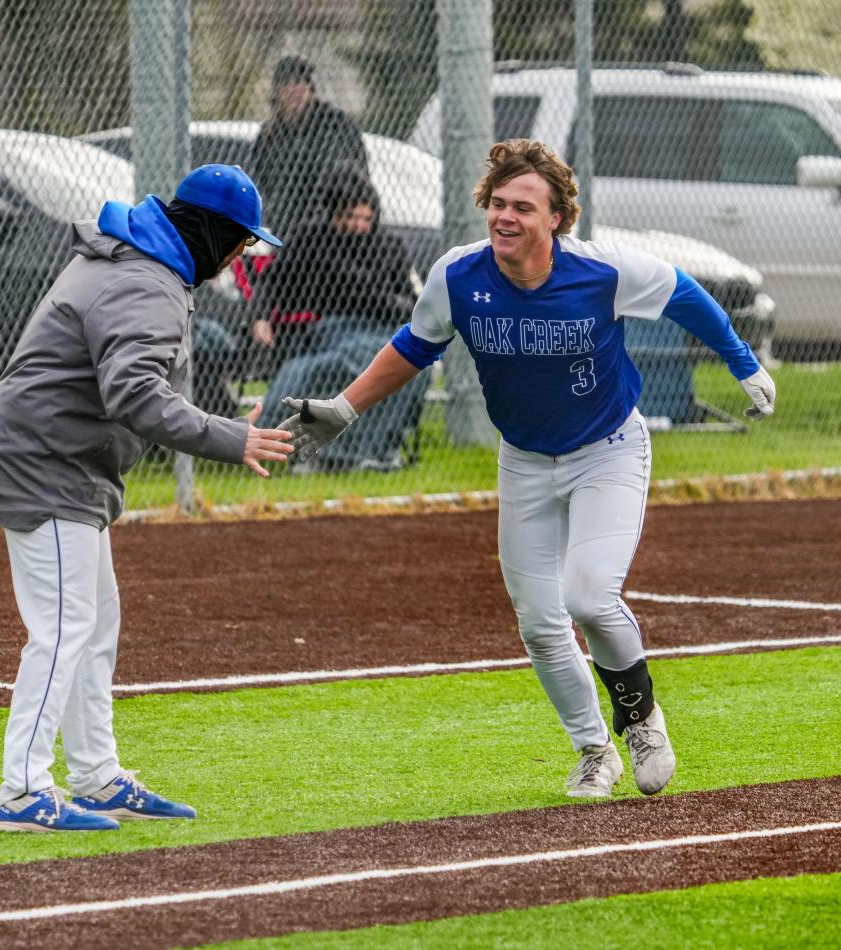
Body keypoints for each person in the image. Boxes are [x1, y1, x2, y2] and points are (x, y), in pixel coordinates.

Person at [278, 139, 777, 798]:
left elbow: (684, 294)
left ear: (557, 220)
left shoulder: (601, 270)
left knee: (590, 596)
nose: (504, 217)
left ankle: (641, 718)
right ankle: (594, 749)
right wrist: (343, 409)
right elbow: (413, 347)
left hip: (608, 450)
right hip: (524, 461)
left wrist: (742, 362)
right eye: (498, 204)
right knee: (541, 623)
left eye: (522, 207)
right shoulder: (459, 277)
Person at [0, 164, 293, 832]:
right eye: (239, 240)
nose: (240, 253)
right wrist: (229, 437)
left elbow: (129, 382)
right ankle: (22, 793)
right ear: (210, 230)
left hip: (61, 455)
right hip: (48, 460)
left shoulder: (134, 257)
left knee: (94, 623)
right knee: (63, 629)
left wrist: (221, 423)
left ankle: (94, 776)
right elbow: (135, 394)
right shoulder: (145, 278)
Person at [254, 174, 428, 469]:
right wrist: (259, 318)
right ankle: (344, 454)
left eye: (365, 218)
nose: (358, 225)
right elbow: (271, 280)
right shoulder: (310, 238)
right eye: (349, 217)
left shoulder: (388, 244)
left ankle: (375, 450)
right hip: (327, 329)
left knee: (413, 366)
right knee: (352, 362)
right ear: (333, 213)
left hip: (381, 329)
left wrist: (383, 301)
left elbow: (409, 301)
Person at [249, 55, 369, 236]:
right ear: (277, 91)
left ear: (310, 88)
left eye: (300, 82)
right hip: (285, 229)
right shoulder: (269, 136)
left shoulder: (333, 125)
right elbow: (261, 183)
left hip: (329, 229)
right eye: (286, 84)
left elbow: (351, 175)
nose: (294, 90)